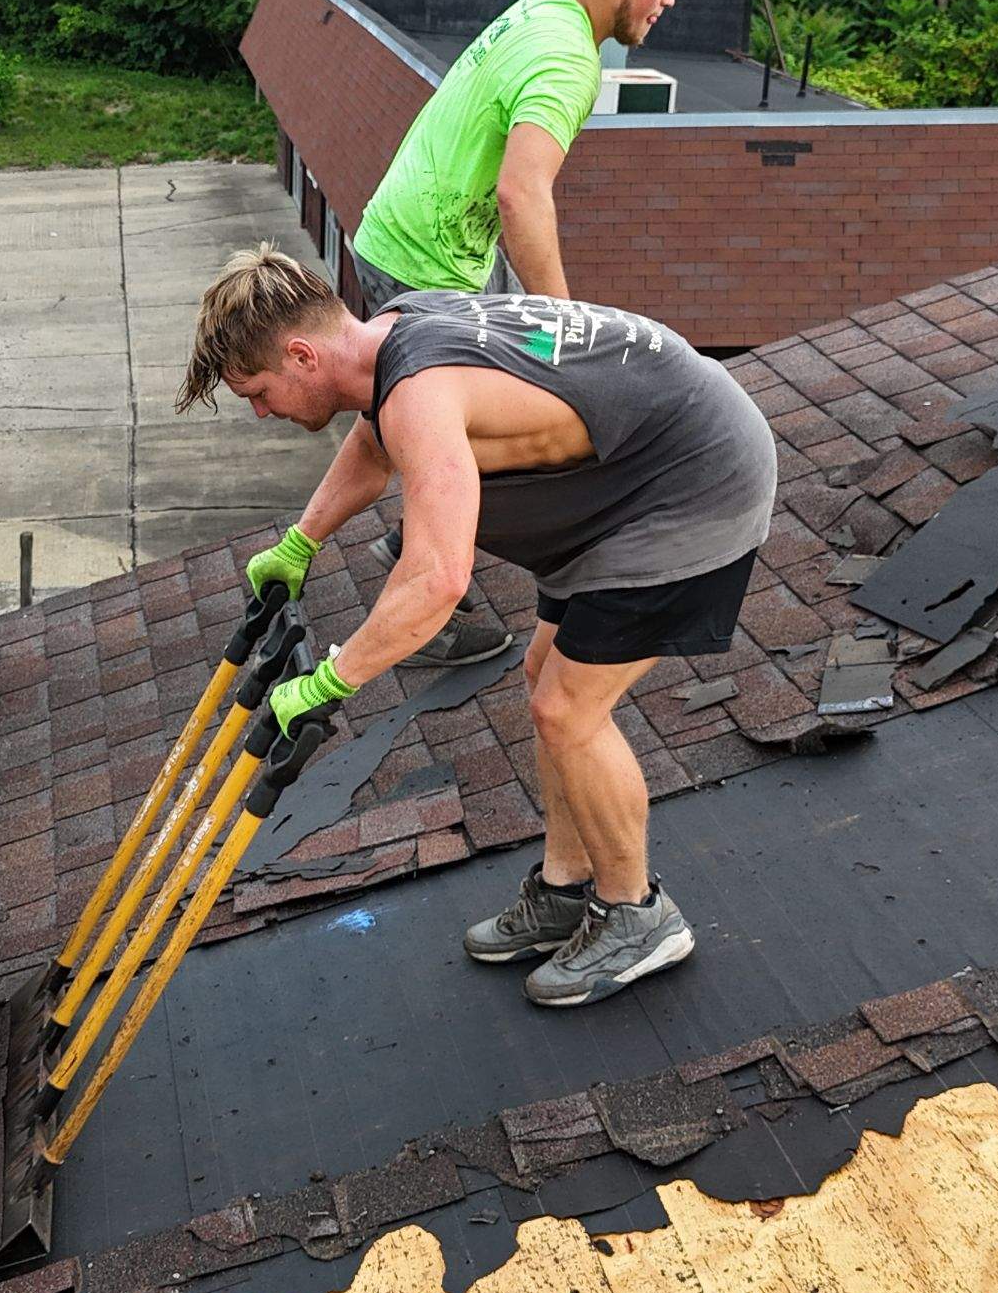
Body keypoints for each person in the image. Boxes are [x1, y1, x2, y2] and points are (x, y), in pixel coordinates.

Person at [182, 247, 774, 1008]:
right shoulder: (397, 332)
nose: (261, 412)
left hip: (693, 484)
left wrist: (331, 680)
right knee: (543, 680)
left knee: (568, 707)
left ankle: (638, 914)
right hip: (631, 477)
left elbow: (437, 578)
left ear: (301, 354)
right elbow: (372, 446)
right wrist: (302, 541)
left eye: (258, 392)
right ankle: (568, 890)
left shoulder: (419, 392)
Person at [344, 0, 697, 668]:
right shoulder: (569, 58)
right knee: (495, 410)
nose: (671, 0)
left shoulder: (550, 5)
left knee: (495, 393)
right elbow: (520, 192)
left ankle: (415, 532)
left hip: (430, 236)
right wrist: (570, 329)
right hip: (424, 260)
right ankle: (428, 605)